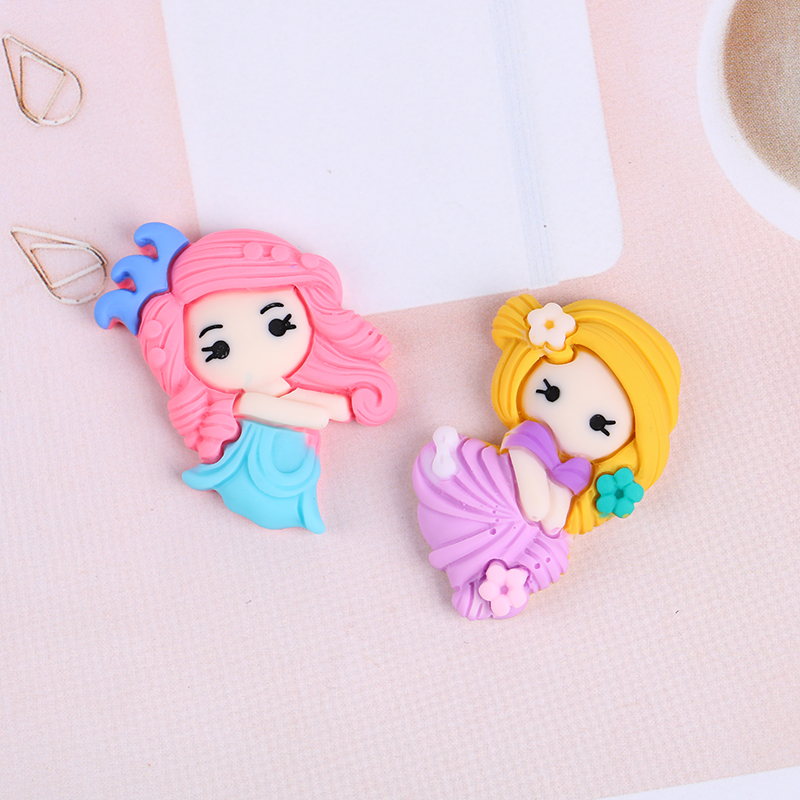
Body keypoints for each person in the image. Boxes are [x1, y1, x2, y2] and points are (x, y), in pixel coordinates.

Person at [96, 223, 396, 533]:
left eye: (278, 324)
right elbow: (316, 416)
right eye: (218, 349)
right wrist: (333, 407)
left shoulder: (280, 388)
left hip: (290, 469)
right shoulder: (245, 402)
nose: (257, 349)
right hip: (260, 476)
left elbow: (327, 408)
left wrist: (355, 402)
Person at [412, 295, 680, 619]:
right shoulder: (530, 436)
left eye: (599, 424)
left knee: (549, 550)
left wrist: (548, 519)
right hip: (484, 494)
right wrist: (542, 510)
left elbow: (555, 518)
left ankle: (492, 586)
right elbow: (535, 501)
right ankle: (478, 575)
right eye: (551, 392)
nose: (570, 416)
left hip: (516, 532)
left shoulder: (578, 470)